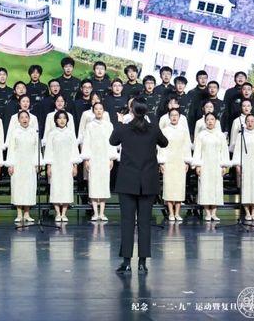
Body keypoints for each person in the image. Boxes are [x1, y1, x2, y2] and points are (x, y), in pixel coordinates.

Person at [109, 99, 168, 274]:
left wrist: (120, 122)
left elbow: (112, 140)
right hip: (148, 181)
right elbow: (164, 143)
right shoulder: (153, 129)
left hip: (128, 181)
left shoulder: (124, 128)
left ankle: (126, 262)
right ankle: (142, 263)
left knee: (127, 222)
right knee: (144, 223)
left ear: (131, 111)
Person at [81, 102, 117, 221]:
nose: (98, 111)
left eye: (100, 109)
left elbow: (111, 142)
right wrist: (87, 159)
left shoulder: (109, 125)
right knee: (93, 184)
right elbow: (86, 142)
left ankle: (102, 213)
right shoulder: (89, 126)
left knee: (103, 184)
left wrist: (111, 158)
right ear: (93, 111)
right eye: (96, 109)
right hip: (93, 158)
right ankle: (95, 213)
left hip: (104, 158)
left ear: (103, 111)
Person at [192, 113, 230, 222]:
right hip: (205, 165)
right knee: (205, 187)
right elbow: (197, 151)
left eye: (212, 119)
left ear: (216, 121)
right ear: (205, 121)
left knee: (216, 187)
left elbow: (224, 151)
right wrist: (198, 165)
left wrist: (224, 165)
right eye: (208, 119)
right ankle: (207, 213)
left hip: (217, 165)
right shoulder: (201, 135)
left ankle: (214, 213)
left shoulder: (220, 135)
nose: (210, 121)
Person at [44, 110, 80, 222]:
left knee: (66, 187)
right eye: (59, 118)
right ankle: (57, 213)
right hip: (55, 164)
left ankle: (64, 213)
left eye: (64, 118)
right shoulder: (52, 133)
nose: (62, 120)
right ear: (56, 120)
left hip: (67, 164)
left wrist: (75, 165)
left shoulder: (70, 133)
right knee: (55, 187)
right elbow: (49, 150)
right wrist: (49, 166)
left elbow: (74, 150)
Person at [158, 109, 192, 222]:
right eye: (172, 115)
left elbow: (187, 146)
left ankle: (177, 213)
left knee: (179, 187)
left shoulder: (184, 130)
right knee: (169, 187)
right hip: (168, 162)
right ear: (169, 117)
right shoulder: (164, 130)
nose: (174, 117)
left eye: (176, 115)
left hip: (180, 161)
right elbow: (161, 147)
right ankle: (171, 213)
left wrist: (186, 161)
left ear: (179, 117)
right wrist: (162, 162)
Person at [6, 111, 40, 223]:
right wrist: (10, 164)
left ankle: (27, 213)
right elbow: (11, 149)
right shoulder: (15, 132)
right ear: (18, 120)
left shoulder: (34, 132)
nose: (24, 119)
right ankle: (19, 213)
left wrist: (37, 163)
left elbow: (37, 149)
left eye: (26, 117)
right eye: (22, 117)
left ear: (29, 119)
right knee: (18, 187)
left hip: (30, 164)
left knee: (29, 187)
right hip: (18, 163)